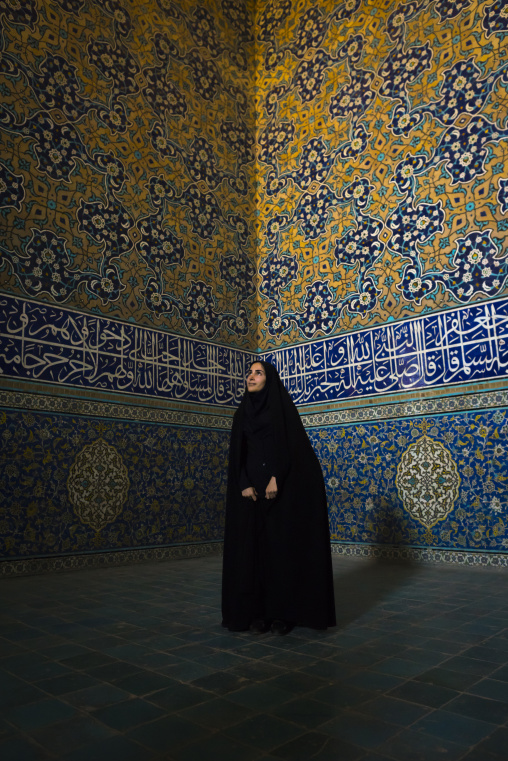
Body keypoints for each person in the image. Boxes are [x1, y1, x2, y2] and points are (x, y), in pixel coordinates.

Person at [222, 360, 336, 635]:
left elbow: (292, 449)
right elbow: (238, 454)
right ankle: (257, 613)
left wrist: (277, 477)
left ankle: (283, 614)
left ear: (269, 380)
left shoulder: (281, 411)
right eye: (249, 372)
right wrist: (244, 484)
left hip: (280, 493)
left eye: (257, 373)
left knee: (280, 553)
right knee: (254, 555)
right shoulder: (242, 414)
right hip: (251, 496)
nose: (251, 376)